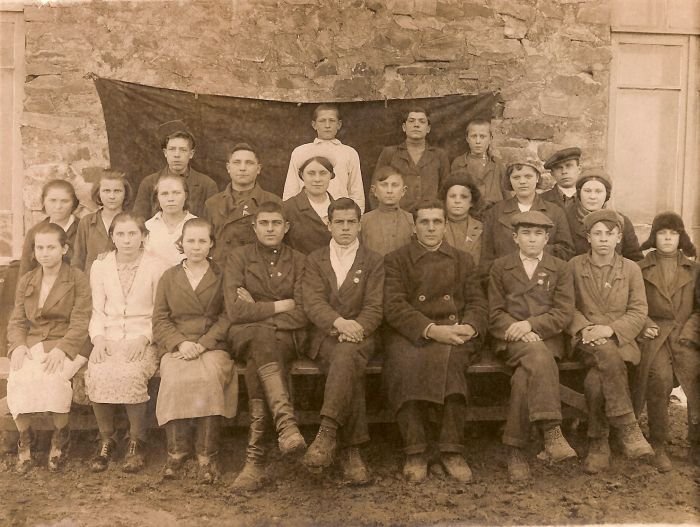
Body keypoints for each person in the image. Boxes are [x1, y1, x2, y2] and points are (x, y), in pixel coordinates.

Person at [383, 200, 487, 484]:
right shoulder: (396, 260)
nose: (431, 228)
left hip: (454, 330)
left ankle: (451, 450)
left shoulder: (463, 260)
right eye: (424, 222)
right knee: (403, 365)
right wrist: (430, 330)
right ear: (414, 226)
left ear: (445, 225)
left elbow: (478, 302)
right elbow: (394, 306)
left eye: (437, 222)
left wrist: (470, 327)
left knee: (453, 364)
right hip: (412, 331)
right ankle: (415, 450)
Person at [488, 211, 577, 482]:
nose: (532, 239)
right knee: (536, 356)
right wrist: (517, 329)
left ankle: (514, 450)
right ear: (515, 238)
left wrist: (531, 325)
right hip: (511, 337)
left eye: (538, 234)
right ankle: (552, 431)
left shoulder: (560, 268)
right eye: (525, 233)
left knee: (523, 378)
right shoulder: (500, 267)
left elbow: (563, 312)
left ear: (547, 238)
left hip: (547, 337)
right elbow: (495, 312)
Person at [225, 201, 308, 491]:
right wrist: (280, 305)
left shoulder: (300, 260)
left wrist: (258, 310)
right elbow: (235, 310)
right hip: (244, 335)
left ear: (286, 227)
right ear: (254, 226)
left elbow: (304, 312)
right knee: (262, 340)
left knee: (260, 349)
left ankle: (255, 460)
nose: (270, 229)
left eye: (276, 223)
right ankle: (286, 424)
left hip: (285, 337)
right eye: (264, 223)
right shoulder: (239, 257)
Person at [301, 198, 384, 485]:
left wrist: (357, 327)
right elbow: (312, 302)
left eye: (351, 222)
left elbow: (375, 306)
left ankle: (327, 432)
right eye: (339, 222)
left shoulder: (373, 260)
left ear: (360, 225)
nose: (346, 228)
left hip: (362, 335)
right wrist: (339, 323)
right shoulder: (315, 259)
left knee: (347, 355)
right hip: (325, 336)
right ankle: (351, 452)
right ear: (329, 224)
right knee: (348, 363)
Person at [568, 209, 653, 474]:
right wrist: (585, 328)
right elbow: (567, 306)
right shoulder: (574, 266)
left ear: (619, 238)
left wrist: (610, 330)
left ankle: (598, 443)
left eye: (610, 233)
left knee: (595, 382)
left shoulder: (631, 269)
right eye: (597, 233)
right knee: (604, 353)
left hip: (620, 340)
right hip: (587, 340)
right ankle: (627, 424)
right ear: (588, 238)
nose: (603, 239)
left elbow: (639, 311)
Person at [152, 218, 237, 483]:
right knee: (174, 377)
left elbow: (228, 315)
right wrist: (180, 342)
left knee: (209, 377)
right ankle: (177, 451)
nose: (196, 246)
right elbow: (160, 319)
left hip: (211, 345)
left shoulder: (222, 276)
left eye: (202, 241)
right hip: (179, 345)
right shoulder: (169, 277)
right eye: (190, 240)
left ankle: (207, 454)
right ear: (182, 243)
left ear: (211, 244)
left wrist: (203, 343)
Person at [85, 212, 167, 474]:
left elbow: (161, 312)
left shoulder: (157, 266)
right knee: (98, 371)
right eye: (120, 234)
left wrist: (144, 338)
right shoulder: (101, 266)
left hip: (143, 337)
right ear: (112, 237)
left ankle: (136, 441)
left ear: (143, 236)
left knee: (131, 373)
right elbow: (97, 310)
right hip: (108, 337)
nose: (127, 239)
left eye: (133, 233)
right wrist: (98, 339)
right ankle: (106, 439)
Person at [7, 223, 91, 473]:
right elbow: (17, 320)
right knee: (19, 376)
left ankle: (60, 439)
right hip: (35, 342)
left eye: (51, 247)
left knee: (54, 377)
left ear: (64, 249)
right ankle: (25, 440)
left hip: (70, 342)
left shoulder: (77, 278)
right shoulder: (27, 280)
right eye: (40, 248)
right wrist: (18, 345)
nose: (45, 253)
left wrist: (63, 349)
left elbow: (81, 321)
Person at [633, 212, 700, 471]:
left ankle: (696, 444)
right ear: (654, 237)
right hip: (655, 336)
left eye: (674, 233)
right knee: (658, 378)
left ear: (681, 237)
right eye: (662, 233)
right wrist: (645, 324)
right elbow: (634, 306)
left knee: (695, 378)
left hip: (686, 337)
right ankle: (658, 444)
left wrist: (690, 334)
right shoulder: (640, 268)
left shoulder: (694, 269)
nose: (668, 238)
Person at [480, 157, 574, 277]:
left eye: (528, 176)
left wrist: (533, 250)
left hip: (543, 278)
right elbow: (486, 256)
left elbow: (566, 251)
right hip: (506, 278)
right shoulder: (495, 212)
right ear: (509, 180)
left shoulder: (555, 212)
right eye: (516, 177)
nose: (522, 182)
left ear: (537, 178)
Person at [204, 143, 280, 267]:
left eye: (249, 163)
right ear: (228, 167)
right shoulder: (212, 204)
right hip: (220, 271)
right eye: (237, 162)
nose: (242, 168)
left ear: (258, 169)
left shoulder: (273, 202)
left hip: (255, 271)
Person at [283, 104, 365, 212]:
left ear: (339, 124)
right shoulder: (300, 152)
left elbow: (356, 191)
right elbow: (291, 188)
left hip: (340, 213)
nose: (327, 125)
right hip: (307, 213)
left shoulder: (349, 153)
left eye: (332, 121)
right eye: (322, 121)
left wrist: (356, 216)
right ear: (314, 125)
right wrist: (289, 214)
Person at [132, 120, 217, 219]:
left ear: (191, 154)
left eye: (183, 150)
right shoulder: (149, 183)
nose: (177, 155)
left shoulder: (207, 185)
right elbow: (138, 221)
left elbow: (211, 223)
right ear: (165, 153)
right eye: (172, 149)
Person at [373, 107, 450, 212]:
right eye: (411, 121)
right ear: (404, 127)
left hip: (429, 216)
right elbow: (375, 189)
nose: (416, 125)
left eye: (422, 121)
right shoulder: (390, 153)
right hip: (397, 216)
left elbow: (446, 191)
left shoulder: (439, 155)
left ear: (428, 128)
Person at [565, 170, 642, 261]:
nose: (592, 196)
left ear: (607, 194)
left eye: (598, 191)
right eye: (587, 191)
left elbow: (635, 258)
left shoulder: (621, 221)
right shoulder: (565, 219)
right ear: (579, 193)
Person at [73, 169, 132, 275]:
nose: (112, 196)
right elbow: (78, 261)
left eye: (117, 191)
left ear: (125, 193)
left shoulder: (133, 222)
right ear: (98, 193)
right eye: (106, 191)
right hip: (92, 281)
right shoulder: (87, 222)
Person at [19, 179, 80, 277]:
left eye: (64, 201)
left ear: (73, 203)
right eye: (52, 200)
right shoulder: (35, 232)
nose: (58, 206)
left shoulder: (84, 229)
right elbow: (25, 271)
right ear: (43, 202)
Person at [449, 119, 506, 210]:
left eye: (482, 136)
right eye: (474, 136)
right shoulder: (459, 163)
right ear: (467, 139)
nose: (478, 141)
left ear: (490, 139)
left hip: (494, 212)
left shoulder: (497, 164)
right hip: (468, 212)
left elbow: (507, 196)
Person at [283, 156, 335, 255]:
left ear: (331, 175)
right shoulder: (288, 208)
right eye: (311, 173)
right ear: (302, 175)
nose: (317, 179)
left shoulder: (340, 209)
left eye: (323, 173)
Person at [144, 173, 197, 269]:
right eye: (164, 194)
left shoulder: (198, 226)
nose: (170, 199)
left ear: (185, 195)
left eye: (176, 193)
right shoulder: (147, 227)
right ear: (157, 197)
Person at [359, 166, 414, 256]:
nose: (389, 191)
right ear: (374, 190)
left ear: (403, 191)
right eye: (384, 185)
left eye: (395, 185)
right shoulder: (363, 221)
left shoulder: (411, 221)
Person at [440, 175, 484, 264]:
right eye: (452, 196)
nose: (457, 201)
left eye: (463, 197)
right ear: (445, 200)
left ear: (471, 202)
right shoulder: (436, 226)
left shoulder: (481, 228)